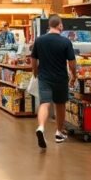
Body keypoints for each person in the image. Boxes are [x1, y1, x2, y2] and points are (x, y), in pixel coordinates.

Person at [30, 15, 77, 148]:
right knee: (60, 104)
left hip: (44, 77)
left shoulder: (39, 40)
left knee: (45, 103)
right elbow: (72, 62)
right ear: (60, 25)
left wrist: (35, 72)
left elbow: (33, 59)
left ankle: (41, 127)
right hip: (60, 78)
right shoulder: (66, 42)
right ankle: (59, 132)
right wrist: (74, 75)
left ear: (49, 26)